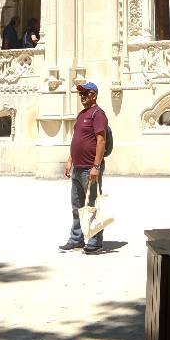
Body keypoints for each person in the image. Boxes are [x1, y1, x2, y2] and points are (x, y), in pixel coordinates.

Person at [59, 81, 108, 255]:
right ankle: (76, 239)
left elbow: (101, 140)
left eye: (86, 93)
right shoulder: (81, 115)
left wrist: (96, 166)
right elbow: (76, 139)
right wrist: (70, 160)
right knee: (77, 206)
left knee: (92, 205)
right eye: (80, 94)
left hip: (90, 169)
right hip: (77, 168)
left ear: (94, 95)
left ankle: (95, 242)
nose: (82, 96)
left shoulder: (98, 114)